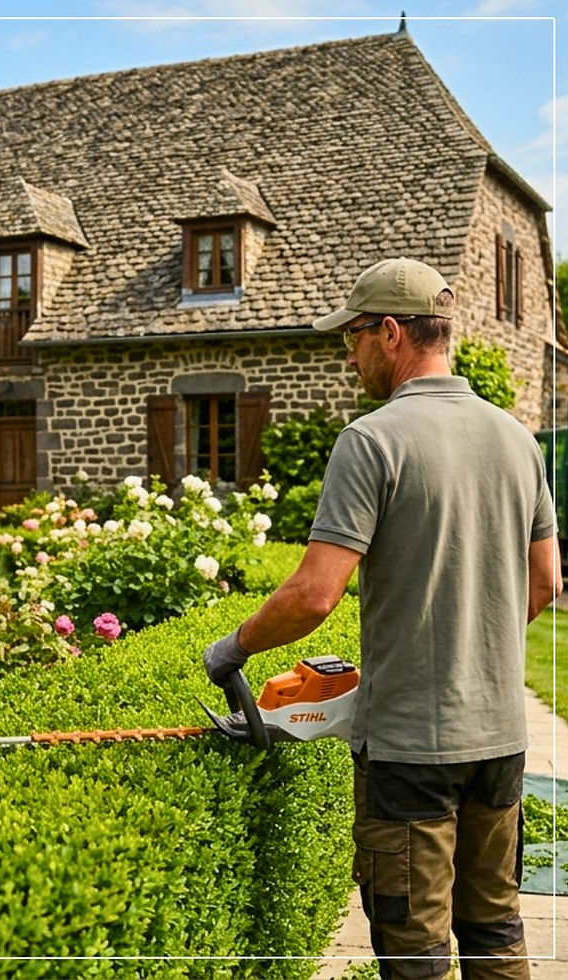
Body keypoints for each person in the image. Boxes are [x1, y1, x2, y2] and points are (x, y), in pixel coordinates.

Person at [204, 257, 562, 980]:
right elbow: (548, 581)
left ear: (392, 333)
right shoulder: (517, 440)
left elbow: (313, 594)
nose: (349, 352)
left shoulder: (371, 442)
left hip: (411, 754)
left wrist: (231, 647)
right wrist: (471, 654)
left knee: (415, 952)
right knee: (496, 932)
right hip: (500, 740)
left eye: (356, 335)